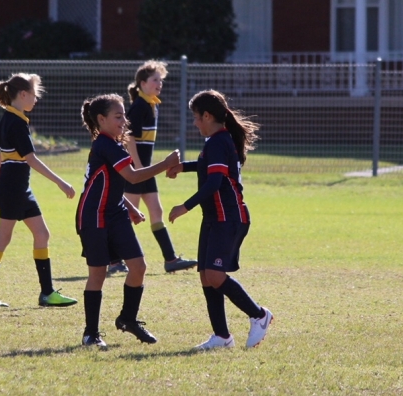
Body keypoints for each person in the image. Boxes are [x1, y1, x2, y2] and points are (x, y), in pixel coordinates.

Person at [167, 90, 272, 350]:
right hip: (215, 218)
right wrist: (185, 167)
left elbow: (214, 182)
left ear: (207, 115)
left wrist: (185, 206)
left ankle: (259, 315)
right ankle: (222, 337)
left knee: (214, 274)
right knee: (206, 276)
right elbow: (211, 167)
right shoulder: (217, 139)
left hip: (229, 217)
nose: (194, 123)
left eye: (196, 117)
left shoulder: (218, 141)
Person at [76, 93, 180, 347]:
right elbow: (132, 177)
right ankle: (91, 333)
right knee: (98, 273)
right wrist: (165, 164)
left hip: (116, 213)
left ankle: (128, 319)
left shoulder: (115, 144)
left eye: (124, 115)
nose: (124, 120)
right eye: (118, 116)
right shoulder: (105, 144)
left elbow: (112, 184)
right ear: (101, 119)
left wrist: (130, 206)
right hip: (94, 216)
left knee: (138, 266)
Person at [0, 73, 78, 308]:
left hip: (16, 187)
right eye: (35, 95)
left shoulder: (9, 118)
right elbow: (31, 159)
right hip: (15, 187)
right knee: (4, 237)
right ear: (23, 94)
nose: (36, 99)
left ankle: (46, 292)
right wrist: (60, 182)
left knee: (41, 234)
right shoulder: (16, 122)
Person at [108, 61, 197, 275]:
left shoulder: (150, 104)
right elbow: (128, 138)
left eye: (161, 80)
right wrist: (137, 167)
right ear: (143, 83)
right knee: (124, 215)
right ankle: (113, 260)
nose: (160, 83)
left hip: (146, 170)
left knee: (156, 211)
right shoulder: (139, 106)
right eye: (155, 80)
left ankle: (170, 259)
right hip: (138, 170)